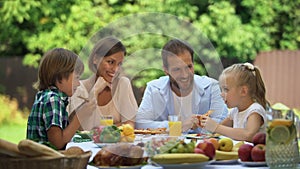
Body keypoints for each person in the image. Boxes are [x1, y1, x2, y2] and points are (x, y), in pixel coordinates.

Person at [135, 39, 228, 133]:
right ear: (166, 70)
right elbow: (140, 123)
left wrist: (197, 124)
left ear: (193, 64)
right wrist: (178, 125)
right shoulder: (154, 89)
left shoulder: (212, 87)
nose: (185, 75)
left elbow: (224, 122)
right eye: (177, 69)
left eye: (189, 67)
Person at [69, 36, 137, 130]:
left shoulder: (123, 84)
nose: (116, 69)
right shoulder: (78, 88)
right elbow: (79, 129)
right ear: (95, 59)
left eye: (119, 64)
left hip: (118, 143)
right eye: (110, 62)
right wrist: (95, 92)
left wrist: (101, 131)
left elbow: (130, 125)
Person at [26, 48, 84, 150]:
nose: (78, 84)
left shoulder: (45, 95)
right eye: (77, 78)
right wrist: (81, 116)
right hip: (46, 163)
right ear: (60, 77)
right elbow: (57, 144)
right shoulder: (53, 99)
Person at [199, 63, 268, 142]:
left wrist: (216, 127)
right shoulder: (235, 111)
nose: (221, 94)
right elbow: (218, 130)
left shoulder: (255, 110)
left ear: (243, 91)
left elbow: (248, 135)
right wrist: (202, 122)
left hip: (252, 153)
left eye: (226, 89)